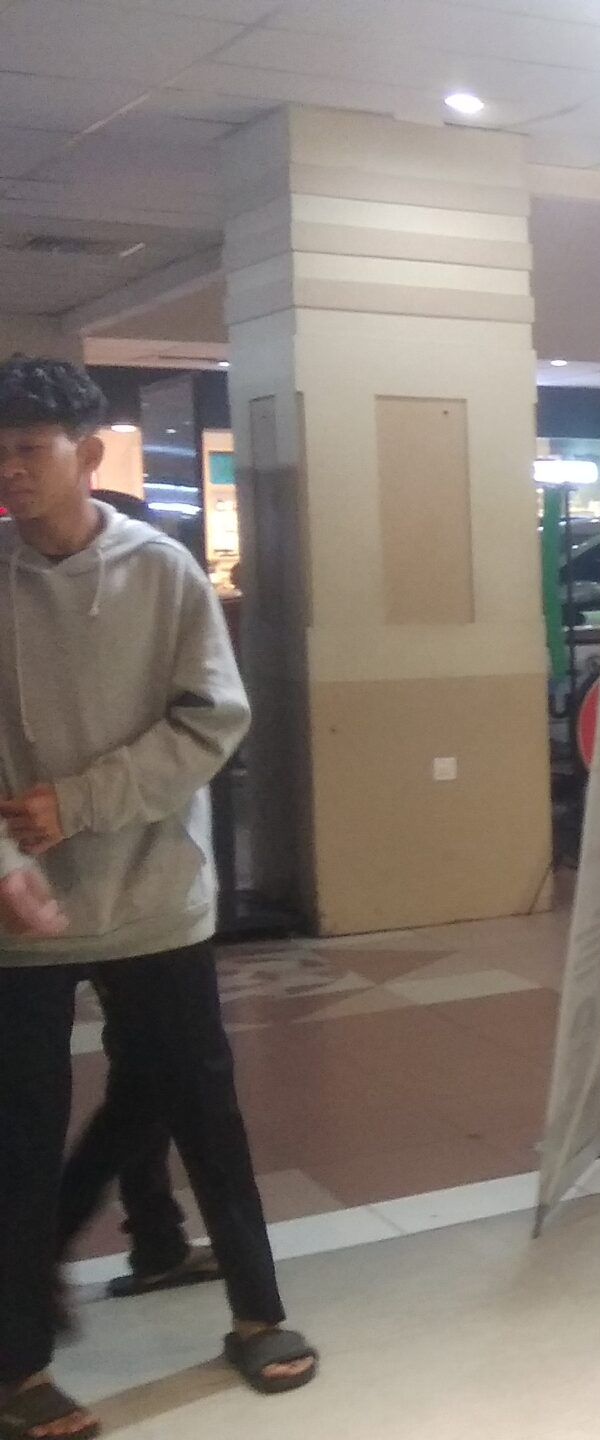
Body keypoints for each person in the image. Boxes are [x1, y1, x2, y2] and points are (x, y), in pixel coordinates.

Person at [0, 356, 314, 1440]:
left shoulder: (162, 572)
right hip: (18, 916)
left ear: (87, 454)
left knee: (203, 1110)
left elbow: (212, 719)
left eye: (29, 449)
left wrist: (81, 800)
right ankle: (18, 1370)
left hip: (153, 896)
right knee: (17, 1137)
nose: (10, 471)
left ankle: (258, 1313)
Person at [59, 488, 225, 1318]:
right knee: (156, 1070)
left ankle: (156, 1238)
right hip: (94, 883)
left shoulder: (162, 597)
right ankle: (57, 1233)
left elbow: (207, 721)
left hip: (145, 881)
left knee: (146, 1069)